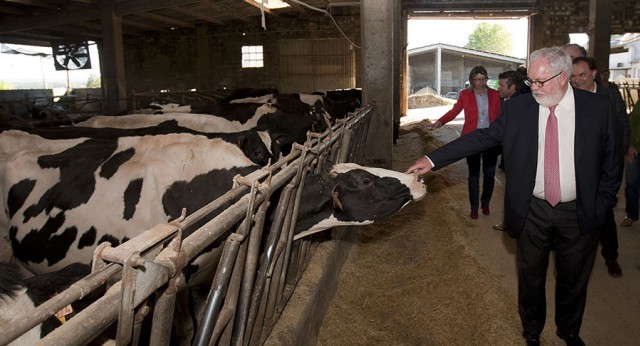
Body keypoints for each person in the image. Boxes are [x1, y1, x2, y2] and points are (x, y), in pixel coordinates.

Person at [406, 46, 623, 346]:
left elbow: (612, 160)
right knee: (531, 277)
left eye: (540, 82)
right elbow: (482, 138)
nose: (533, 88)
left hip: (579, 211)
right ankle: (531, 334)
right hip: (532, 210)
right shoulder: (519, 109)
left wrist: (602, 204)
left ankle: (568, 331)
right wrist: (432, 160)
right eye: (530, 81)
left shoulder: (597, 108)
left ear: (564, 77)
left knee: (573, 280)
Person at [571, 56, 628, 277]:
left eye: (582, 75)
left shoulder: (609, 97)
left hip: (602, 168)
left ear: (594, 74)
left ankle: (611, 256)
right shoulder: (569, 97)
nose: (577, 80)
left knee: (603, 216)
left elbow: (622, 127)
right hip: (578, 166)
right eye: (573, 76)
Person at [429, 66, 501, 219]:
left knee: (489, 173)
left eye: (483, 79)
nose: (480, 83)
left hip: (490, 138)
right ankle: (474, 207)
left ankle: (485, 203)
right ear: (472, 80)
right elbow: (454, 112)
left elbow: (502, 115)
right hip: (471, 138)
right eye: (477, 79)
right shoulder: (464, 95)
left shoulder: (495, 94)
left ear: (487, 79)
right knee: (473, 174)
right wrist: (440, 122)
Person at [493, 70, 524, 231]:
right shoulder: (507, 101)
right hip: (510, 153)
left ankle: (512, 223)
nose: (498, 88)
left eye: (501, 85)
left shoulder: (518, 105)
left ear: (512, 87)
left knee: (514, 191)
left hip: (518, 157)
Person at [622, 103, 640, 228]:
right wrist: (629, 146)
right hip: (636, 150)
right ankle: (632, 214)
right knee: (631, 183)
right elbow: (632, 123)